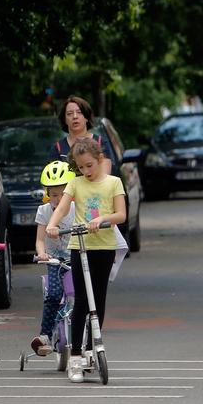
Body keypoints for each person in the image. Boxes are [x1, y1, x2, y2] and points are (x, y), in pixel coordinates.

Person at [46, 138, 125, 383]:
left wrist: (102, 219)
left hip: (104, 246)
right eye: (81, 168)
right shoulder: (76, 184)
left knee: (98, 300)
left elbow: (121, 215)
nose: (86, 171)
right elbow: (61, 208)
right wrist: (52, 223)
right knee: (81, 301)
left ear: (100, 159)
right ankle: (76, 357)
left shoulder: (113, 182)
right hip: (80, 247)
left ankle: (92, 348)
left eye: (89, 166)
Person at [30, 160, 77, 356]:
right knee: (54, 295)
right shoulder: (44, 211)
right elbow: (40, 240)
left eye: (61, 194)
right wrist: (42, 253)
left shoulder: (78, 209)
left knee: (81, 295)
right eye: (53, 194)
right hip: (55, 259)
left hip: (76, 257)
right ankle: (45, 335)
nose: (57, 200)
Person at [48, 94, 112, 175]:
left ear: (86, 117)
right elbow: (53, 179)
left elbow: (105, 177)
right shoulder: (57, 148)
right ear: (64, 120)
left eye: (79, 112)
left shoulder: (101, 143)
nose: (75, 116)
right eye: (69, 113)